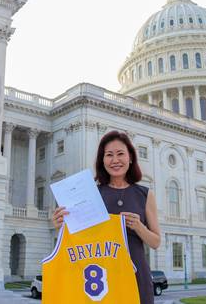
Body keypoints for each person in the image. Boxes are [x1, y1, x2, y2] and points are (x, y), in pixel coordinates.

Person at [52, 130, 161, 303]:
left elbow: (156, 242)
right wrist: (61, 226)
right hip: (102, 280)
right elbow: (79, 238)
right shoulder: (91, 193)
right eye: (109, 155)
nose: (115, 160)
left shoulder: (145, 195)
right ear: (102, 161)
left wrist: (139, 227)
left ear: (130, 157)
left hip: (136, 277)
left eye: (120, 154)